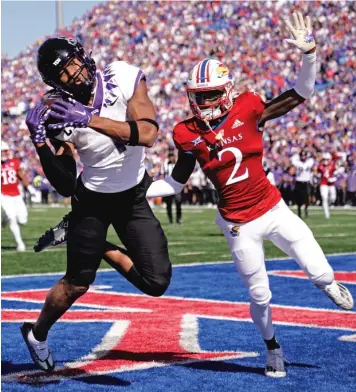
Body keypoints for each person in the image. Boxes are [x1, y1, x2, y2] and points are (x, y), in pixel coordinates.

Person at [34, 13, 354, 378]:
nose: (204, 103)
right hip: (236, 223)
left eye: (212, 95)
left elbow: (301, 93)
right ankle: (272, 348)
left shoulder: (249, 108)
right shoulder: (187, 133)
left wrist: (310, 55)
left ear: (229, 91)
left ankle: (327, 283)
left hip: (273, 207)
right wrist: (130, 192)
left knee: (320, 273)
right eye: (198, 97)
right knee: (260, 295)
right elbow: (173, 185)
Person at [21, 37, 172, 372]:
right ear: (53, 83)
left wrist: (89, 119)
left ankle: (98, 244)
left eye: (73, 63)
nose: (74, 75)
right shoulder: (57, 112)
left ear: (84, 56)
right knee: (78, 282)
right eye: (63, 74)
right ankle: (37, 333)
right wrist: (41, 143)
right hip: (92, 202)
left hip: (132, 196)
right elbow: (63, 182)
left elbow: (147, 132)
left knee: (156, 282)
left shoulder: (121, 75)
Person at [1, 142, 35, 251]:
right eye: (2, 151)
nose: (4, 153)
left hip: (16, 195)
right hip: (4, 195)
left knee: (22, 220)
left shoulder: (14, 162)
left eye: (5, 151)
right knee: (13, 218)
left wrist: (29, 188)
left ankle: (4, 219)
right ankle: (20, 243)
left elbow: (21, 175)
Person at [161, 152, 182, 224]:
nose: (172, 158)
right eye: (171, 157)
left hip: (176, 186)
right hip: (168, 186)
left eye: (173, 157)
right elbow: (162, 175)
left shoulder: (177, 165)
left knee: (178, 202)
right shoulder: (165, 165)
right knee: (168, 204)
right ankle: (170, 220)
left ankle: (178, 219)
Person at [292, 150, 314, 218]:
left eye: (304, 156)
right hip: (299, 182)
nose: (303, 157)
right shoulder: (297, 162)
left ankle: (306, 209)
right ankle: (299, 212)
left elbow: (311, 159)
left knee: (306, 197)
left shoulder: (309, 161)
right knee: (299, 198)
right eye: (302, 156)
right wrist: (297, 153)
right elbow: (293, 159)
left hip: (306, 182)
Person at [316, 152, 337, 219]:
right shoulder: (320, 166)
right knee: (324, 198)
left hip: (331, 184)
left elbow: (337, 172)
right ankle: (327, 215)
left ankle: (328, 205)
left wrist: (334, 178)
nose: (326, 161)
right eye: (324, 159)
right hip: (323, 183)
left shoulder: (333, 165)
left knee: (333, 198)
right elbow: (316, 172)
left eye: (327, 159)